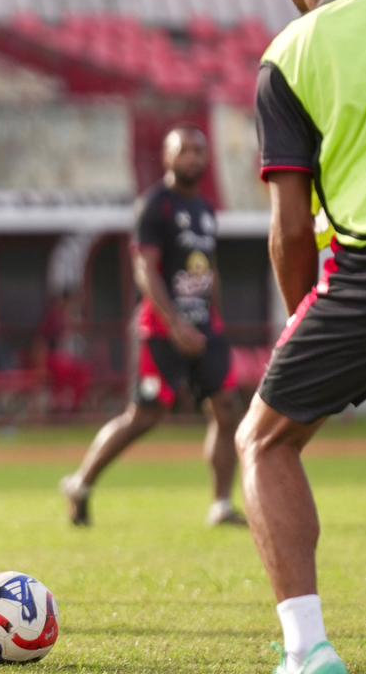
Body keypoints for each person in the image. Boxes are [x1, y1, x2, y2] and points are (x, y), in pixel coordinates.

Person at [240, 0, 366, 674]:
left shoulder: (288, 56)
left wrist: (303, 314)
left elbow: (291, 229)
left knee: (266, 443)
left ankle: (306, 652)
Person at [59, 126, 245, 528]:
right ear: (167, 157)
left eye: (199, 151)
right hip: (160, 329)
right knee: (145, 415)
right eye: (184, 151)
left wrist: (215, 320)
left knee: (227, 409)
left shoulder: (207, 211)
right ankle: (82, 483)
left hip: (205, 326)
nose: (192, 158)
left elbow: (209, 269)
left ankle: (221, 505)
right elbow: (145, 269)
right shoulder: (154, 206)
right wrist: (175, 323)